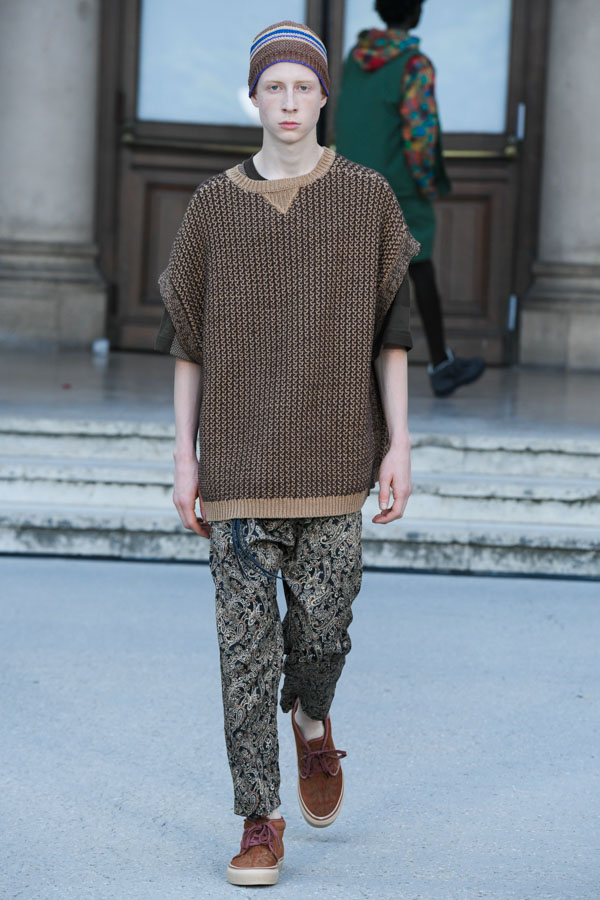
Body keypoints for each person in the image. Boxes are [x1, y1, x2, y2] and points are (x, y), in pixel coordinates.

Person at [154, 20, 419, 887]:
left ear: (324, 95)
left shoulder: (367, 198)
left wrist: (400, 445)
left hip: (336, 461)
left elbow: (393, 336)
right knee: (243, 654)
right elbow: (188, 341)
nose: (291, 101)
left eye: (304, 86)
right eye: (275, 87)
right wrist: (185, 458)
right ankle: (259, 819)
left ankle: (311, 717)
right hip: (237, 465)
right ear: (255, 97)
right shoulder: (212, 208)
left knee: (323, 635)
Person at [336, 0, 486, 397]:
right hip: (398, 185)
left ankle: (344, 371)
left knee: (358, 276)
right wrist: (425, 182)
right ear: (415, 12)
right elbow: (420, 134)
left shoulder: (355, 58)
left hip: (352, 181)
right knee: (420, 268)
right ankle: (440, 364)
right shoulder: (415, 65)